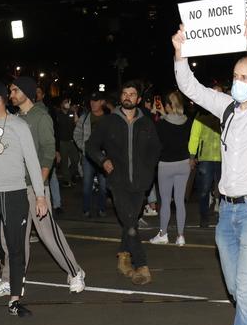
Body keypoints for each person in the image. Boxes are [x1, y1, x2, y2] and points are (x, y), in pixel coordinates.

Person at [173, 19, 247, 325]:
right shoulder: (225, 107)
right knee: (239, 292)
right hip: (227, 213)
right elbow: (191, 88)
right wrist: (180, 53)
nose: (237, 82)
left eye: (244, 77)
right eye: (235, 76)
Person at [0, 77, 85, 298]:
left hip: (34, 187)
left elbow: (48, 153)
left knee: (47, 233)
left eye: (14, 90)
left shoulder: (40, 117)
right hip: (13, 187)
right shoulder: (14, 118)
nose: (10, 94)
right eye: (10, 89)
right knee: (11, 237)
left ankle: (75, 271)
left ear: (27, 93)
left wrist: (40, 188)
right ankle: (10, 280)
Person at [0, 79, 46, 318]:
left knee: (15, 249)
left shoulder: (18, 126)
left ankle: (15, 300)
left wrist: (40, 195)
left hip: (15, 194)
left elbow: (33, 163)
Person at [87, 80, 161, 285]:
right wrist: (104, 161)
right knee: (129, 222)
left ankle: (122, 258)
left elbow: (155, 149)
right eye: (125, 93)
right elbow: (91, 146)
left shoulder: (146, 122)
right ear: (121, 97)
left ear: (138, 99)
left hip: (140, 183)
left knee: (130, 220)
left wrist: (148, 170)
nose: (128, 96)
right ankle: (142, 264)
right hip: (117, 182)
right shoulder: (109, 121)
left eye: (132, 94)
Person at [149, 91, 192, 246]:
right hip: (184, 164)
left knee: (165, 201)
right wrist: (162, 114)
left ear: (167, 106)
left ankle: (163, 234)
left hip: (166, 164)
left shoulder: (161, 124)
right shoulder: (188, 121)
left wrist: (155, 114)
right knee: (180, 201)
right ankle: (181, 236)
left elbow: (155, 137)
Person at [73, 92, 109, 218]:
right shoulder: (85, 117)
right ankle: (86, 209)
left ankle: (102, 208)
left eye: (96, 101)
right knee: (87, 185)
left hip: (104, 157)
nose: (93, 103)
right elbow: (76, 134)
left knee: (103, 186)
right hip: (88, 157)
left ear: (102, 102)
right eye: (91, 101)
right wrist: (83, 147)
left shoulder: (108, 117)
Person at [189, 102, 222, 228]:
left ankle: (223, 218)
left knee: (224, 191)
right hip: (205, 158)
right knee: (203, 191)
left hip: (223, 158)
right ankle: (204, 217)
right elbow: (194, 136)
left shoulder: (225, 113)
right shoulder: (201, 115)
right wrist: (192, 155)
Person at [56, 96, 80, 188]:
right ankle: (67, 180)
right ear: (61, 104)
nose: (67, 104)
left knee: (75, 159)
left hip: (72, 141)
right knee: (64, 162)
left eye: (68, 102)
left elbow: (77, 124)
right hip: (62, 142)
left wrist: (75, 112)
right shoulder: (57, 114)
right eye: (65, 102)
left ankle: (70, 175)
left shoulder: (72, 113)